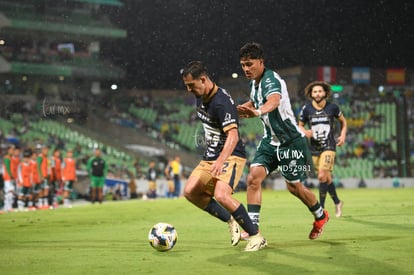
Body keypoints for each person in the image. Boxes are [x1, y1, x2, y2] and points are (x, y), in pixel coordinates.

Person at [236, 42, 329, 240]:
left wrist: (258, 111)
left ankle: (321, 216)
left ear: (261, 62)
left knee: (294, 187)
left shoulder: (271, 79)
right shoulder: (254, 84)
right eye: (243, 65)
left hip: (291, 142)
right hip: (271, 141)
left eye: (249, 64)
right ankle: (253, 230)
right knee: (253, 178)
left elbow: (274, 101)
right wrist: (238, 110)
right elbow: (256, 101)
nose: (246, 69)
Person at [181, 60, 267, 252]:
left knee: (221, 195)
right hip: (210, 155)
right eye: (186, 86)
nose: (189, 90)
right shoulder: (201, 94)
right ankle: (231, 220)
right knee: (190, 192)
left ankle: (256, 236)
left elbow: (233, 135)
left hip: (231, 155)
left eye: (191, 85)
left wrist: (220, 161)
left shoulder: (221, 101)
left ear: (203, 80)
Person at [298, 80, 347, 218]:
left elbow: (343, 121)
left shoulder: (333, 108)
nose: (317, 93)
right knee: (326, 177)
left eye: (320, 91)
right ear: (311, 94)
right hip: (314, 147)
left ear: (325, 93)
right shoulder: (306, 109)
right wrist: (305, 131)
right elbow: (300, 125)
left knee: (321, 176)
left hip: (329, 145)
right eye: (315, 91)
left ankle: (322, 209)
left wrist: (342, 135)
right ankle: (337, 202)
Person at [2, 145, 17, 212]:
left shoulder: (11, 158)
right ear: (8, 151)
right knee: (8, 192)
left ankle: (9, 207)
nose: (12, 151)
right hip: (8, 178)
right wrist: (10, 175)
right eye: (11, 150)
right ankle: (6, 206)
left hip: (11, 177)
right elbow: (7, 167)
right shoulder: (7, 158)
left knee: (11, 192)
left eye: (13, 150)